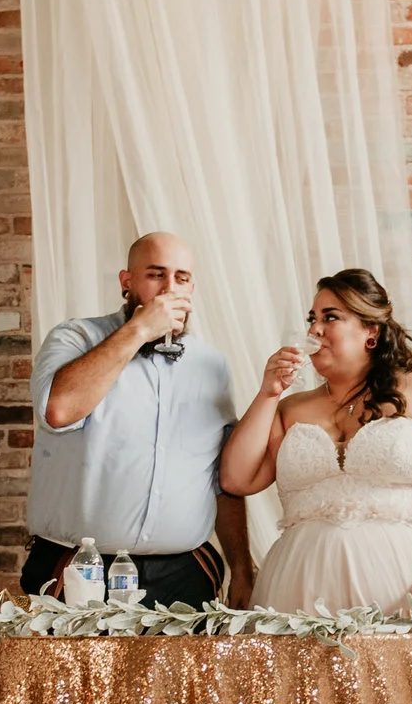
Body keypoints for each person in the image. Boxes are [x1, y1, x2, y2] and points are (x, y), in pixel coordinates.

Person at [220, 269, 412, 615]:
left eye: (330, 317)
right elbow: (236, 479)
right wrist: (268, 393)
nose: (314, 330)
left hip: (405, 584)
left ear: (371, 332)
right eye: (312, 319)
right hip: (296, 589)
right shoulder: (290, 409)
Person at [23, 231, 253, 607]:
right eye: (156, 275)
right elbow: (57, 411)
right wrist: (141, 329)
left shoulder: (211, 365)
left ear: (192, 288)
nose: (169, 289)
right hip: (79, 571)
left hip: (186, 574)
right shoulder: (75, 338)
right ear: (126, 282)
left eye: (181, 278)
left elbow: (221, 477)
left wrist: (241, 569)